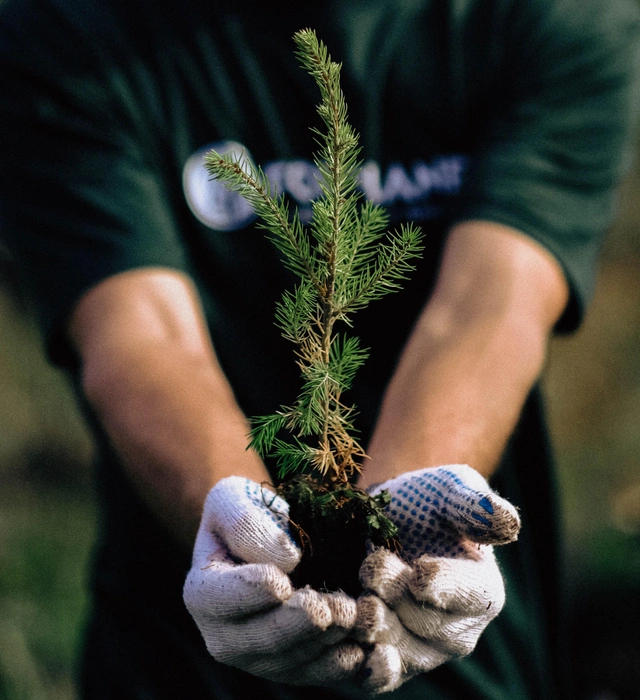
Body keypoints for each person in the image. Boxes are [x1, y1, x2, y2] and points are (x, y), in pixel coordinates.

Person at [1, 0, 639, 697]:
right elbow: (142, 333)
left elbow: (486, 310)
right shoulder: (69, 29)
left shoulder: (550, 17)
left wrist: (393, 541)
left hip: (450, 644)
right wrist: (236, 526)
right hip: (180, 656)